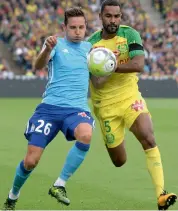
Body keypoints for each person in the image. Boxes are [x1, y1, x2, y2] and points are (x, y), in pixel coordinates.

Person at [88, 0, 177, 210]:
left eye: (117, 16)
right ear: (101, 17)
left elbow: (138, 65)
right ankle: (119, 135)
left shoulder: (130, 35)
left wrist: (112, 65)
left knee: (148, 136)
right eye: (109, 16)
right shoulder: (91, 45)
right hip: (106, 107)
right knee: (119, 161)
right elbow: (97, 82)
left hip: (130, 98)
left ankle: (161, 195)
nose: (113, 20)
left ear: (121, 17)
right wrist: (105, 67)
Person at [3, 7, 94, 210]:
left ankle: (59, 184)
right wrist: (46, 49)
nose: (77, 31)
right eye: (73, 27)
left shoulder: (90, 49)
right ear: (64, 27)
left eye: (81, 27)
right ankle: (13, 195)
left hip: (76, 109)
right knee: (31, 161)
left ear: (86, 27)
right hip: (49, 109)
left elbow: (99, 78)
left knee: (86, 135)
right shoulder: (55, 44)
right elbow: (37, 65)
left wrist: (109, 64)